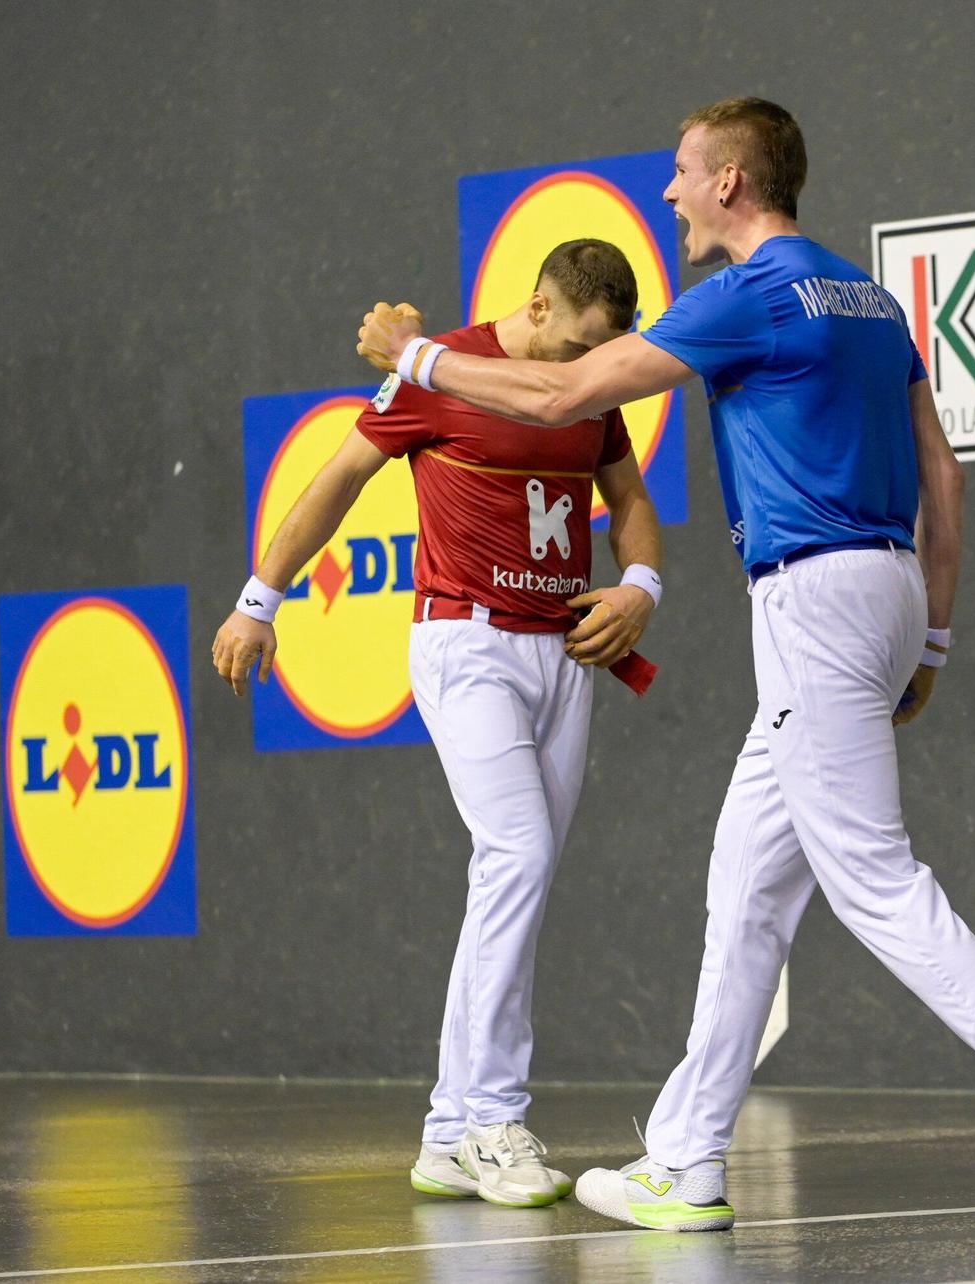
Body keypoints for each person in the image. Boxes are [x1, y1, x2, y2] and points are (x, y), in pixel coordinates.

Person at [355, 99, 975, 1235]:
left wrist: (418, 356)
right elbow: (947, 477)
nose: (668, 194)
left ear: (730, 182)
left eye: (681, 174)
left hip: (813, 599)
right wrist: (928, 637)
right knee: (747, 887)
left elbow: (565, 392)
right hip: (884, 590)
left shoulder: (743, 295)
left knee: (869, 874)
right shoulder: (866, 297)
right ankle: (685, 1156)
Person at [215, 239, 665, 1210]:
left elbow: (627, 500)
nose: (579, 373)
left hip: (568, 656)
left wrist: (639, 584)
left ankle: (447, 1130)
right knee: (516, 853)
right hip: (465, 649)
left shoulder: (589, 386)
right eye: (573, 347)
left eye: (599, 354)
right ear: (537, 308)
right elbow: (336, 481)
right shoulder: (440, 374)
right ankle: (494, 1118)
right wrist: (258, 599)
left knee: (517, 875)